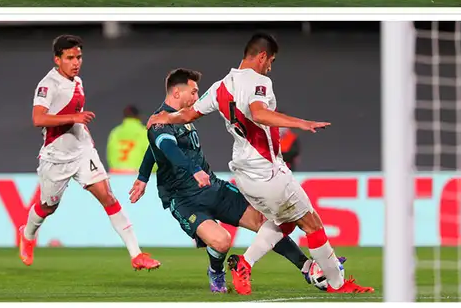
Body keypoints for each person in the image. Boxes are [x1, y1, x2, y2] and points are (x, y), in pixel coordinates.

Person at [146, 33, 373, 294]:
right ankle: (336, 283)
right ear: (262, 56)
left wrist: (165, 116)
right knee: (312, 223)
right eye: (271, 61)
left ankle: (252, 263)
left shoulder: (221, 85)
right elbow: (259, 113)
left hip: (244, 173)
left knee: (282, 222)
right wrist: (302, 123)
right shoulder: (259, 81)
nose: (270, 67)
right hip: (266, 171)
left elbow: (189, 114)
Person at [130, 68, 330, 293]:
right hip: (185, 199)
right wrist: (193, 169)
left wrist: (142, 177)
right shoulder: (158, 124)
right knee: (222, 241)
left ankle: (306, 267)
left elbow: (153, 149)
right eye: (194, 92)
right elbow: (167, 148)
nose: (197, 98)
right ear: (177, 92)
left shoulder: (179, 118)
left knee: (264, 223)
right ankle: (216, 271)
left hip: (212, 187)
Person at [17, 35, 160, 271]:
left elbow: (77, 113)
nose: (76, 62)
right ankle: (28, 234)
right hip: (56, 156)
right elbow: (38, 118)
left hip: (82, 151)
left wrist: (83, 131)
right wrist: (74, 118)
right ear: (57, 59)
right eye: (70, 58)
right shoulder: (48, 85)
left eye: (79, 57)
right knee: (48, 206)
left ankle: (136, 255)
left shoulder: (78, 81)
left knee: (108, 197)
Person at [106, 105, 148, 174]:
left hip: (116, 174)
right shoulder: (145, 132)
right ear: (139, 117)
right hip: (137, 174)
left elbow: (110, 154)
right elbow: (153, 156)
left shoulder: (115, 132)